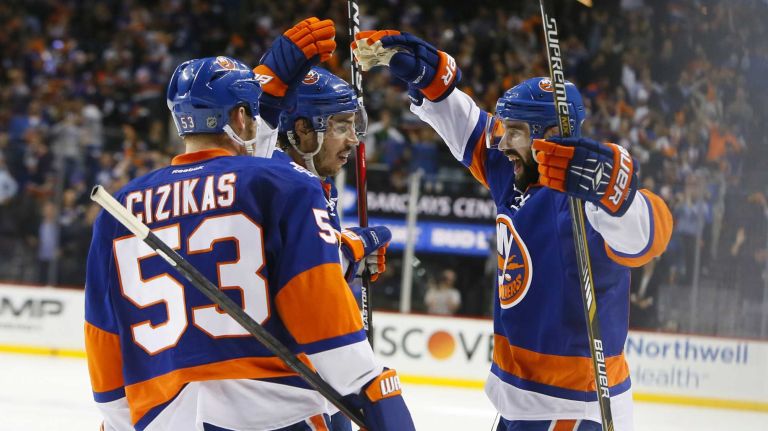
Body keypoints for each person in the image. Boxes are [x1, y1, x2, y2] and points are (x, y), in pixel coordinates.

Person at [85, 19, 415, 431]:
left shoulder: (120, 209)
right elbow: (315, 305)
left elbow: (103, 338)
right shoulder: (284, 184)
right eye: (256, 113)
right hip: (276, 412)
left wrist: (120, 421)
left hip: (164, 416)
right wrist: (370, 384)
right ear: (241, 117)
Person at [353, 30, 673, 430]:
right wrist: (427, 78)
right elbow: (467, 126)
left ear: (548, 137)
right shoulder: (516, 171)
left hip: (572, 408)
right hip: (521, 400)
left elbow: (646, 237)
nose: (503, 142)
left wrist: (619, 196)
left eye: (515, 131)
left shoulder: (588, 201)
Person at [274, 66, 388, 287]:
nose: (354, 140)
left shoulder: (319, 185)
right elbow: (306, 281)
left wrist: (344, 258)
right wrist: (349, 248)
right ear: (303, 129)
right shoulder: (288, 184)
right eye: (342, 128)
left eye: (354, 127)